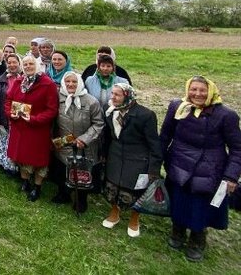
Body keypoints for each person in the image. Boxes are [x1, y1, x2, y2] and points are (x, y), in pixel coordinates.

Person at [160, 76, 241, 261]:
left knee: (200, 207)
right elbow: (165, 135)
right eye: (193, 89)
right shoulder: (177, 107)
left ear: (211, 91)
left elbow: (237, 148)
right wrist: (158, 159)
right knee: (178, 200)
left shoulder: (226, 116)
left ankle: (198, 239)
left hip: (209, 168)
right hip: (179, 162)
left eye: (202, 90)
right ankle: (178, 231)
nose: (197, 94)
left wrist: (231, 176)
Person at [101, 83, 162, 238]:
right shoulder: (109, 111)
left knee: (135, 189)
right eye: (112, 94)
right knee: (113, 185)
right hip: (115, 154)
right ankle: (115, 212)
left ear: (127, 96)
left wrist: (153, 168)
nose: (112, 97)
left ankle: (134, 218)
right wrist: (104, 154)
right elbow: (107, 136)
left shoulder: (145, 115)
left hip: (137, 158)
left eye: (117, 95)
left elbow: (154, 143)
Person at [5, 55, 59, 201]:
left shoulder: (48, 84)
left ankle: (37, 187)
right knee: (22, 157)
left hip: (37, 129)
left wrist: (35, 119)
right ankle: (25, 181)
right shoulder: (18, 81)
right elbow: (9, 100)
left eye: (31, 64)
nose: (28, 66)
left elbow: (51, 110)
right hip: (20, 127)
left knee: (38, 160)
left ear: (37, 65)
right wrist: (11, 113)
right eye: (25, 64)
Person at [50, 72, 104, 212]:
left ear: (79, 83)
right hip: (63, 143)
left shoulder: (91, 101)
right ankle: (63, 194)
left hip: (84, 145)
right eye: (67, 82)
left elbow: (98, 124)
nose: (70, 84)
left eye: (74, 82)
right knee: (62, 170)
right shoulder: (58, 98)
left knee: (82, 173)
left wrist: (85, 139)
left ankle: (81, 201)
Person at [0, 53, 23, 174]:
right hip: (4, 116)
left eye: (14, 62)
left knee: (17, 143)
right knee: (6, 142)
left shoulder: (26, 79)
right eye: (9, 62)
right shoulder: (1, 79)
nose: (12, 65)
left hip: (19, 116)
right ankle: (7, 166)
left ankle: (18, 167)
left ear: (19, 63)